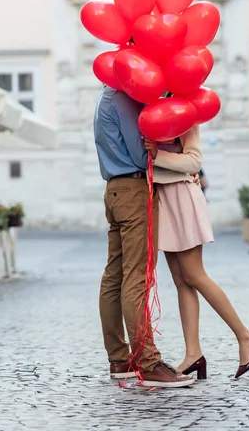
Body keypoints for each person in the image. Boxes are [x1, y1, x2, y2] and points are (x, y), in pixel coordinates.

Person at [144, 126, 249, 380]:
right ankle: (193, 354)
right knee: (181, 281)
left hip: (181, 193)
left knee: (195, 274)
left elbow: (194, 159)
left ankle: (245, 335)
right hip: (161, 197)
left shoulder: (183, 111)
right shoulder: (148, 107)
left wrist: (158, 155)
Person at [94, 85, 194, 388]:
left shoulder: (106, 96)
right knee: (137, 277)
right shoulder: (123, 98)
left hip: (114, 189)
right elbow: (141, 156)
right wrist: (169, 149)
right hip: (134, 190)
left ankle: (119, 358)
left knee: (114, 276)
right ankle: (147, 362)